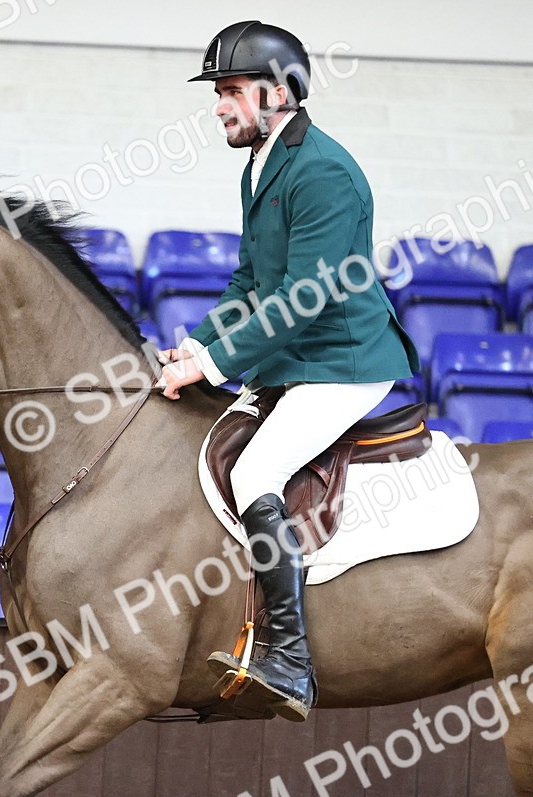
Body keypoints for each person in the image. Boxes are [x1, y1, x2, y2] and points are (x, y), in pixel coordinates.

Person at [159, 20, 420, 722]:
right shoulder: (262, 162)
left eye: (232, 91)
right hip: (291, 360)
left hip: (341, 362)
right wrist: (196, 348)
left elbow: (301, 300)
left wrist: (214, 362)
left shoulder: (324, 171)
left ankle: (289, 658)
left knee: (253, 475)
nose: (219, 106)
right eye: (219, 92)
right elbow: (250, 282)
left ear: (280, 93)